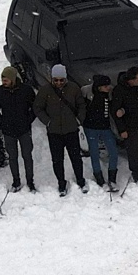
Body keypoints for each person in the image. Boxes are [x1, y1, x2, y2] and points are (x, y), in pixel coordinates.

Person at [33, 63, 87, 195]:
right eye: (55, 80)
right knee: (57, 160)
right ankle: (61, 183)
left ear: (65, 78)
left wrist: (78, 120)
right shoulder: (45, 91)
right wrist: (48, 122)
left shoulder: (73, 88)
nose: (58, 83)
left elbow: (81, 105)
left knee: (76, 157)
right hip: (54, 132)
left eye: (61, 80)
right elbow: (38, 108)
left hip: (71, 130)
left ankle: (81, 180)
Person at [0, 66, 37, 192]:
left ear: (13, 79)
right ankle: (16, 181)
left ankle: (30, 181)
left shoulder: (26, 90)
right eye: (2, 80)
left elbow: (35, 107)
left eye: (6, 80)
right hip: (8, 131)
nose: (3, 82)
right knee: (12, 157)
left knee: (27, 155)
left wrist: (28, 120)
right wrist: (1, 123)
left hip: (24, 129)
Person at [83, 73, 120, 191]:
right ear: (99, 87)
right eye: (105, 86)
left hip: (105, 127)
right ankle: (99, 179)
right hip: (91, 128)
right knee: (94, 153)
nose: (108, 88)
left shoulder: (109, 95)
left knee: (113, 152)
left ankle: (112, 179)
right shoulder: (87, 92)